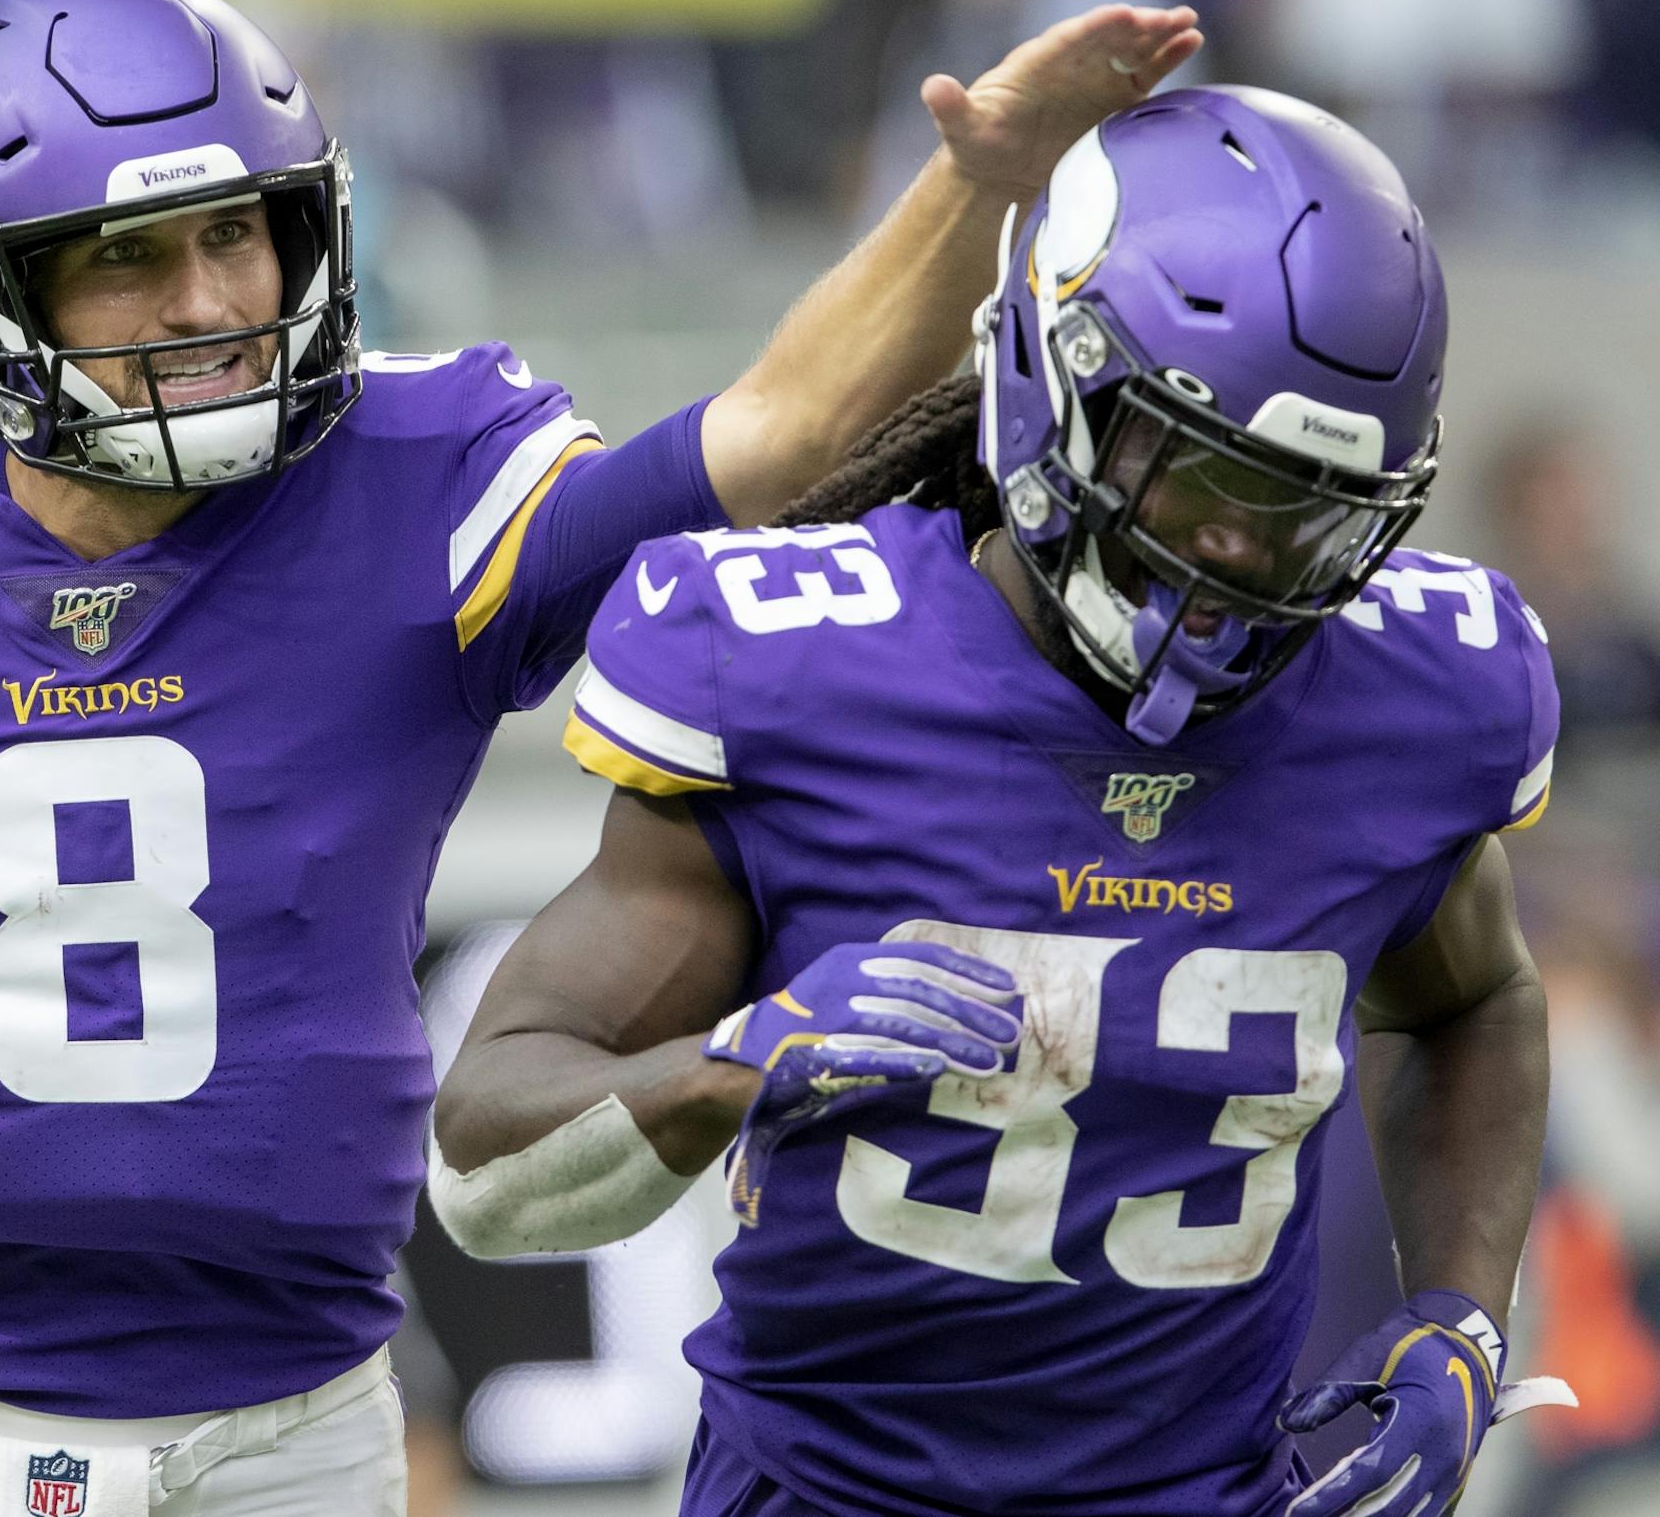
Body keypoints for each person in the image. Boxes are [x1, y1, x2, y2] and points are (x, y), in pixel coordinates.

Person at [0, 0, 1202, 1514]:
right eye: (128, 257)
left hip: (284, 1423)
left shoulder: (417, 486)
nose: (209, 297)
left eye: (240, 232)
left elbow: (781, 432)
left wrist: (980, 182)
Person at [432, 85, 1579, 1515]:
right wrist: (740, 1059)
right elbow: (485, 1162)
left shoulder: (1417, 698)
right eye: (1200, 471)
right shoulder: (797, 671)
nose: (1238, 554)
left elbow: (1476, 995)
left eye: (1303, 509)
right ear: (1054, 380)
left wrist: (1462, 1316)